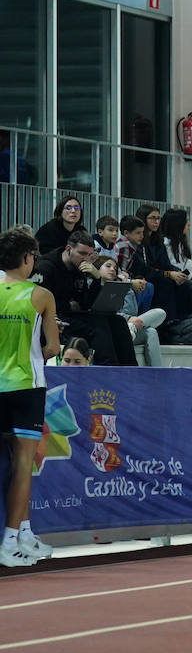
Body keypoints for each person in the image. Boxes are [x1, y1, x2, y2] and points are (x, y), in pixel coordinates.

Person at [0, 228, 61, 566]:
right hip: (25, 386)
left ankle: (23, 531)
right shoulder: (42, 296)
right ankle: (9, 542)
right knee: (23, 465)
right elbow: (53, 347)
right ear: (26, 259)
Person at [35, 232, 138, 366]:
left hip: (72, 315)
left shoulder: (80, 267)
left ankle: (131, 370)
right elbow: (42, 304)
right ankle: (107, 368)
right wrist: (68, 305)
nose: (86, 259)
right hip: (54, 318)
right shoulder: (47, 267)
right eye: (82, 254)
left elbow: (85, 304)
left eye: (89, 255)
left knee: (118, 321)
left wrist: (97, 279)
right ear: (68, 249)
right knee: (97, 326)